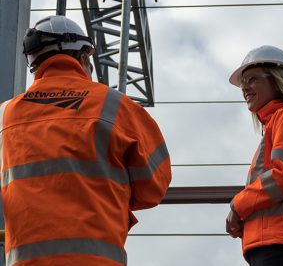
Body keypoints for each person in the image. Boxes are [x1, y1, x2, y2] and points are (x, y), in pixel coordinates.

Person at [0, 15, 171, 266]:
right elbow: (155, 186)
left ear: (34, 64)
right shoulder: (115, 106)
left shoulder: (5, 115)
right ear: (82, 57)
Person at [226, 45, 283, 266]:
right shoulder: (277, 123)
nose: (245, 87)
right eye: (243, 82)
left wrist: (238, 206)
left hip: (282, 245)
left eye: (253, 79)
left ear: (278, 81)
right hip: (274, 244)